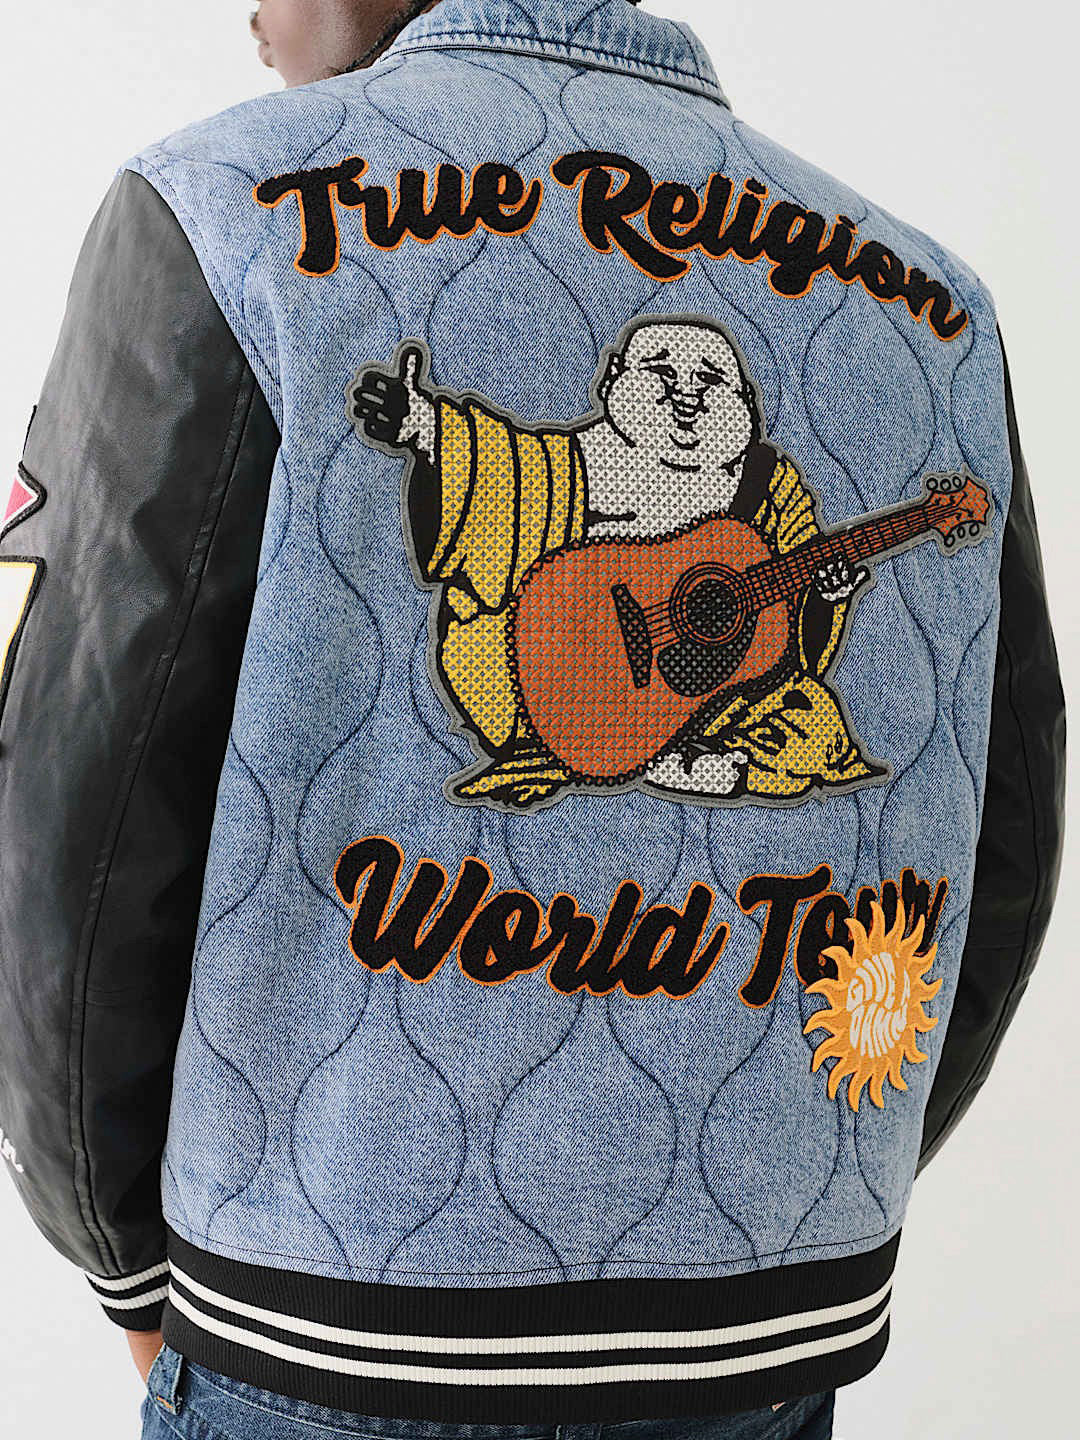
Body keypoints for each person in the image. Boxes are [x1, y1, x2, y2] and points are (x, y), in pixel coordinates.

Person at [0, 2, 1064, 1438]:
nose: (249, 13)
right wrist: (810, 1194)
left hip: (325, 1325)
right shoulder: (939, 307)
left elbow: (67, 813)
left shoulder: (217, 209)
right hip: (763, 1344)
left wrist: (122, 1257)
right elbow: (1008, 824)